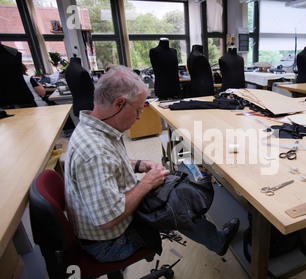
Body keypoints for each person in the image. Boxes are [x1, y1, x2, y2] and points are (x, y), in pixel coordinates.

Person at [64, 65, 239, 262]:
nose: (139, 117)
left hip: (107, 219)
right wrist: (147, 183)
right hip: (110, 242)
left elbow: (110, 164)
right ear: (119, 104)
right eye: (138, 110)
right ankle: (218, 242)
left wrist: (139, 164)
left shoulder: (96, 127)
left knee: (172, 196)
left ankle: (215, 240)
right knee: (175, 205)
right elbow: (108, 219)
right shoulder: (93, 152)